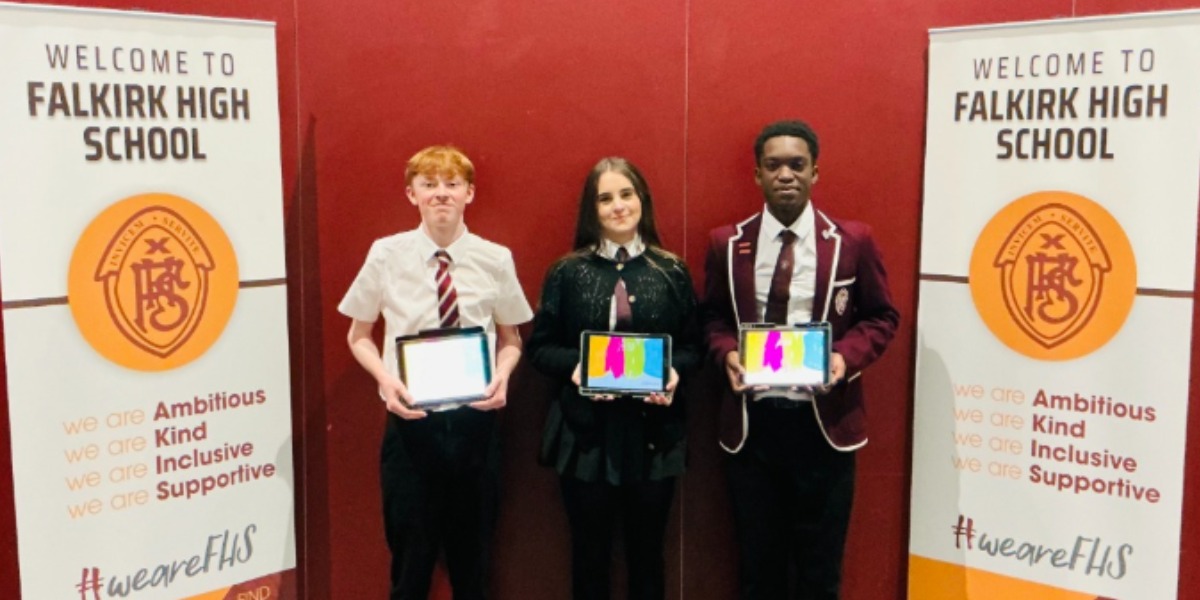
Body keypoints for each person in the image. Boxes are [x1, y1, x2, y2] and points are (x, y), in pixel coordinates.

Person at [701, 120, 900, 599]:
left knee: (820, 574)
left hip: (825, 428)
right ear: (757, 174)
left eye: (797, 164)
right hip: (753, 429)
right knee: (758, 572)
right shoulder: (727, 244)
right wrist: (726, 353)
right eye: (773, 166)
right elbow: (711, 318)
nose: (785, 175)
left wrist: (843, 359)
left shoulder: (852, 241)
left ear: (815, 171)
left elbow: (882, 317)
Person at [338, 145, 533, 600]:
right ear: (412, 194)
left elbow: (511, 339)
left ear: (469, 193)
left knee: (473, 571)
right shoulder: (387, 254)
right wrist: (385, 380)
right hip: (411, 427)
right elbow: (358, 335)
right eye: (429, 184)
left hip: (475, 427)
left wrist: (503, 374)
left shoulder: (495, 258)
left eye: (451, 184)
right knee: (409, 570)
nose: (441, 193)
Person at [527, 157, 700, 600]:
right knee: (589, 557)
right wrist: (578, 368)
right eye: (605, 198)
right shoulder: (566, 272)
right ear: (592, 209)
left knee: (648, 557)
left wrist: (673, 372)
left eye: (626, 194)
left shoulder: (672, 271)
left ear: (642, 200)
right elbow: (540, 348)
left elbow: (693, 346)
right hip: (585, 435)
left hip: (653, 434)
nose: (618, 206)